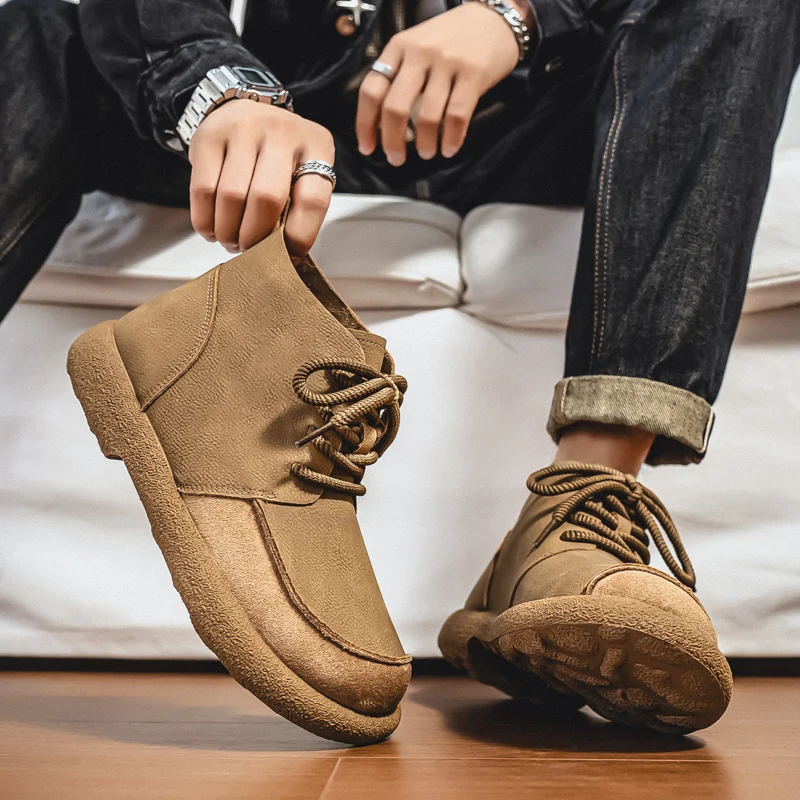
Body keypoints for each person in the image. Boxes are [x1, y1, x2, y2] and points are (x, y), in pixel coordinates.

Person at [2, 0, 798, 742]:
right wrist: (219, 88)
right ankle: (235, 352)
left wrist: (522, 16)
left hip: (547, 123)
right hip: (310, 117)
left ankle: (579, 506)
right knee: (38, 25)